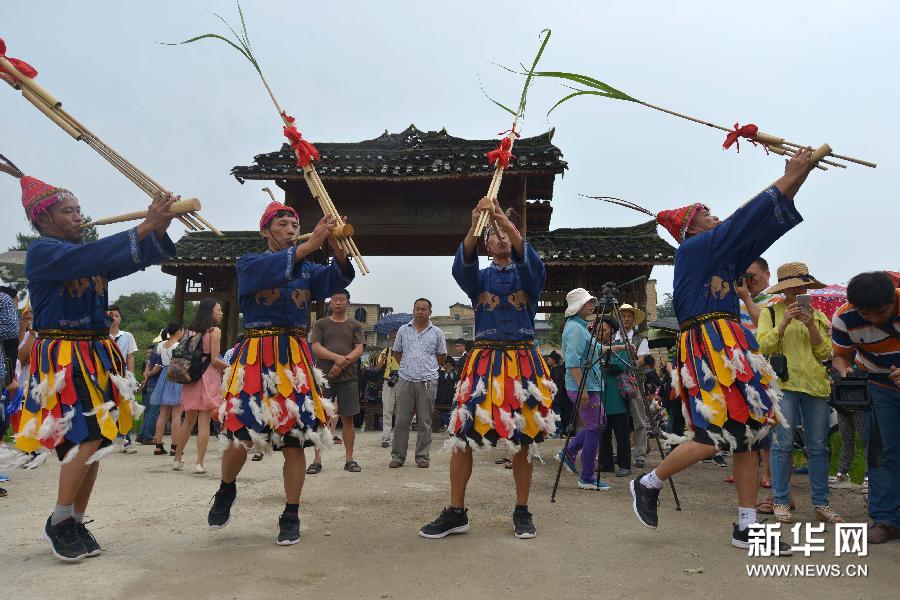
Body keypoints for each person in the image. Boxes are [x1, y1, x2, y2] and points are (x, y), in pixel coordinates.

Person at [630, 149, 816, 554]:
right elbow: (744, 219)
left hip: (731, 341)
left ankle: (746, 527)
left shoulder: (725, 257)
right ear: (691, 230)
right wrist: (789, 175)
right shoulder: (694, 250)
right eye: (706, 214)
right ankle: (648, 483)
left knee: (748, 434)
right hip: (709, 344)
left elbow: (761, 223)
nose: (714, 217)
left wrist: (798, 178)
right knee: (719, 433)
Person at [4, 158, 176, 561]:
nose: (79, 216)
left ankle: (75, 518)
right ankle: (60, 519)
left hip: (95, 353)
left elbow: (129, 257)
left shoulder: (88, 255)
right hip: (65, 355)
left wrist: (158, 229)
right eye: (69, 211)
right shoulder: (43, 253)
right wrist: (144, 226)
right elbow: (99, 255)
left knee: (98, 439)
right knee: (85, 436)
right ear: (43, 217)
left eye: (80, 210)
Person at [208, 200, 353, 546]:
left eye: (294, 224)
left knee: (295, 441)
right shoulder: (249, 263)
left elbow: (337, 278)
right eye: (283, 224)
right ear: (265, 231)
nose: (290, 230)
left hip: (294, 358)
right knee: (242, 435)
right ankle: (226, 487)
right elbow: (273, 269)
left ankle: (291, 513)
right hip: (256, 353)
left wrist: (336, 244)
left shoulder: (308, 269)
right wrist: (309, 245)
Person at [419, 197, 555, 540]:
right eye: (494, 233)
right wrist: (478, 221)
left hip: (523, 358)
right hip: (485, 361)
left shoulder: (529, 273)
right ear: (487, 243)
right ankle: (456, 511)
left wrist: (503, 220)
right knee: (461, 435)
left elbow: (534, 265)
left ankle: (522, 510)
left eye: (509, 232)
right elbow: (460, 264)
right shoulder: (477, 279)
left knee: (523, 438)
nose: (503, 237)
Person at [757, 262, 842, 524]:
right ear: (784, 290)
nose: (799, 291)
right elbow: (763, 347)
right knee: (782, 444)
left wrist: (813, 328)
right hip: (784, 386)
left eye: (803, 286)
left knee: (818, 447)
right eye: (794, 287)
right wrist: (783, 322)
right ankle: (781, 501)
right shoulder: (769, 313)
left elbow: (826, 353)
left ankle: (821, 503)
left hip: (815, 385)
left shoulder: (817, 316)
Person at [831, 271, 900, 545]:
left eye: (881, 312)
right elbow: (839, 356)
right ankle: (885, 520)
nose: (874, 319)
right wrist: (846, 372)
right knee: (882, 452)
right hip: (879, 385)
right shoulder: (844, 317)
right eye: (866, 314)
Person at [308, 289, 365, 473]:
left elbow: (359, 349)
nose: (338, 302)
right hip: (324, 377)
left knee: (348, 418)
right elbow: (316, 348)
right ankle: (317, 460)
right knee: (321, 418)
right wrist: (337, 358)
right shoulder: (321, 324)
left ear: (348, 302)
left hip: (348, 377)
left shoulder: (355, 324)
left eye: (342, 299)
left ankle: (350, 459)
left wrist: (341, 364)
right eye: (335, 299)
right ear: (330, 303)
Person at [559, 289, 610, 490]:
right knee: (594, 427)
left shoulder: (580, 327)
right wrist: (584, 391)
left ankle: (569, 453)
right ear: (577, 306)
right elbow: (572, 363)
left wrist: (619, 347)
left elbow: (597, 348)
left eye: (592, 301)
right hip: (583, 386)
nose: (592, 305)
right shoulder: (575, 329)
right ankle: (587, 476)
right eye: (587, 302)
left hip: (588, 384)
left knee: (598, 423)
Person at [389, 298, 447, 469]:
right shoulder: (403, 330)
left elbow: (441, 356)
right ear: (413, 310)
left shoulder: (437, 332)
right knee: (401, 420)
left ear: (430, 312)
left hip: (428, 381)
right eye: (417, 309)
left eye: (423, 309)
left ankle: (422, 456)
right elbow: (397, 352)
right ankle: (398, 456)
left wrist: (427, 367)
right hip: (406, 379)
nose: (420, 312)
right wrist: (409, 366)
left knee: (425, 421)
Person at [174, 300, 229, 473]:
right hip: (208, 377)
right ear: (210, 312)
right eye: (218, 310)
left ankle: (177, 459)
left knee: (188, 420)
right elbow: (214, 360)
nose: (221, 313)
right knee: (204, 421)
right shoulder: (215, 331)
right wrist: (233, 368)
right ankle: (199, 463)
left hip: (191, 377)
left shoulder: (191, 330)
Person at [735, 257, 776, 486]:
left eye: (753, 275)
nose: (749, 280)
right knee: (745, 421)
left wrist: (746, 298)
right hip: (743, 366)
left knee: (768, 421)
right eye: (746, 276)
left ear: (767, 274)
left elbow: (763, 325)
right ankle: (745, 468)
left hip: (765, 366)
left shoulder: (776, 298)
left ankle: (768, 473)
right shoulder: (739, 298)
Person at [614, 303, 651, 468]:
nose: (626, 318)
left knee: (639, 419)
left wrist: (630, 365)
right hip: (615, 381)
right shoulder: (612, 336)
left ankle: (640, 454)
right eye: (623, 316)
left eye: (629, 316)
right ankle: (617, 453)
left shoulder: (641, 338)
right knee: (616, 418)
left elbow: (642, 358)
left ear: (634, 319)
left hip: (634, 380)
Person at [597, 317, 633, 478]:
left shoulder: (620, 344)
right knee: (603, 433)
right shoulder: (594, 346)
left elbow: (623, 364)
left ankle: (625, 464)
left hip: (616, 395)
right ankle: (606, 463)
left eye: (603, 330)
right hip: (600, 393)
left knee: (621, 434)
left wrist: (606, 364)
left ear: (612, 329)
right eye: (598, 329)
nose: (600, 333)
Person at [107, 305, 139, 454]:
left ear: (120, 318)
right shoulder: (101, 336)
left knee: (125, 407)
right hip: (105, 375)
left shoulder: (127, 336)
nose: (114, 317)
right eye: (110, 315)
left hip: (122, 376)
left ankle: (127, 441)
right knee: (107, 407)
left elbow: (130, 356)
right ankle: (107, 439)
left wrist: (131, 377)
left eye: (117, 315)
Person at [150, 323, 184, 456]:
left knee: (162, 414)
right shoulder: (178, 345)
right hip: (175, 376)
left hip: (163, 377)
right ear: (179, 331)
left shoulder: (161, 345)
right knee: (176, 415)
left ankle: (158, 445)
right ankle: (174, 447)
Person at [375, 330, 400, 448]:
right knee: (387, 410)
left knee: (401, 411)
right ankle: (386, 437)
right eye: (391, 338)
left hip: (401, 382)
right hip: (388, 382)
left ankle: (399, 438)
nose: (393, 340)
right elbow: (378, 367)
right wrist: (382, 360)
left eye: (395, 337)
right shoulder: (386, 350)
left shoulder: (404, 350)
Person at [136, 343, 162, 445]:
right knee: (153, 413)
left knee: (149, 413)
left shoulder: (149, 362)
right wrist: (149, 375)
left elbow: (146, 373)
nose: (149, 354)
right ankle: (148, 436)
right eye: (148, 352)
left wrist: (147, 376)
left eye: (151, 352)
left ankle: (141, 435)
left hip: (148, 387)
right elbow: (148, 372)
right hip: (151, 387)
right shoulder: (153, 360)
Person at [546, 350, 570, 439]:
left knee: (557, 413)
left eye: (549, 359)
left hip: (556, 395)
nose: (548, 361)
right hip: (558, 395)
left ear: (553, 360)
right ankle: (558, 431)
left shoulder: (555, 371)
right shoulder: (556, 370)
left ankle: (557, 431)